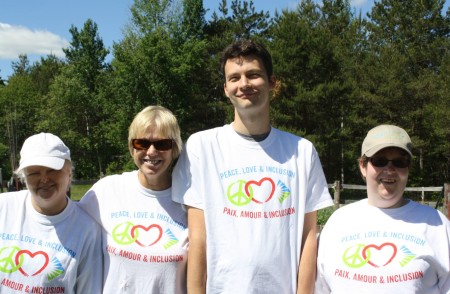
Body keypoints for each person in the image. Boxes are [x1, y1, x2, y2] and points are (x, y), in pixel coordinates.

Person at [172, 39, 333, 293]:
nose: (244, 84)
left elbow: (308, 238)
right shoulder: (201, 147)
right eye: (234, 78)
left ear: (272, 82)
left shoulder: (301, 151)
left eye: (253, 75)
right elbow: (198, 240)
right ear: (225, 88)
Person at [315, 124, 450, 293]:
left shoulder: (436, 224)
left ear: (408, 168)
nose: (389, 169)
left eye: (400, 162)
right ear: (363, 166)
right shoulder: (338, 222)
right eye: (379, 161)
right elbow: (321, 287)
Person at [79, 105, 188, 293]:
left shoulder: (189, 201)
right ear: (132, 147)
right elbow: (71, 233)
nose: (151, 152)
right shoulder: (107, 190)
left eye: (162, 144)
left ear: (175, 148)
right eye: (142, 144)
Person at [0, 132, 102, 293]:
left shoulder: (87, 230)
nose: (44, 179)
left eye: (52, 170)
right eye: (34, 173)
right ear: (23, 177)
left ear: (69, 173)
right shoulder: (4, 207)